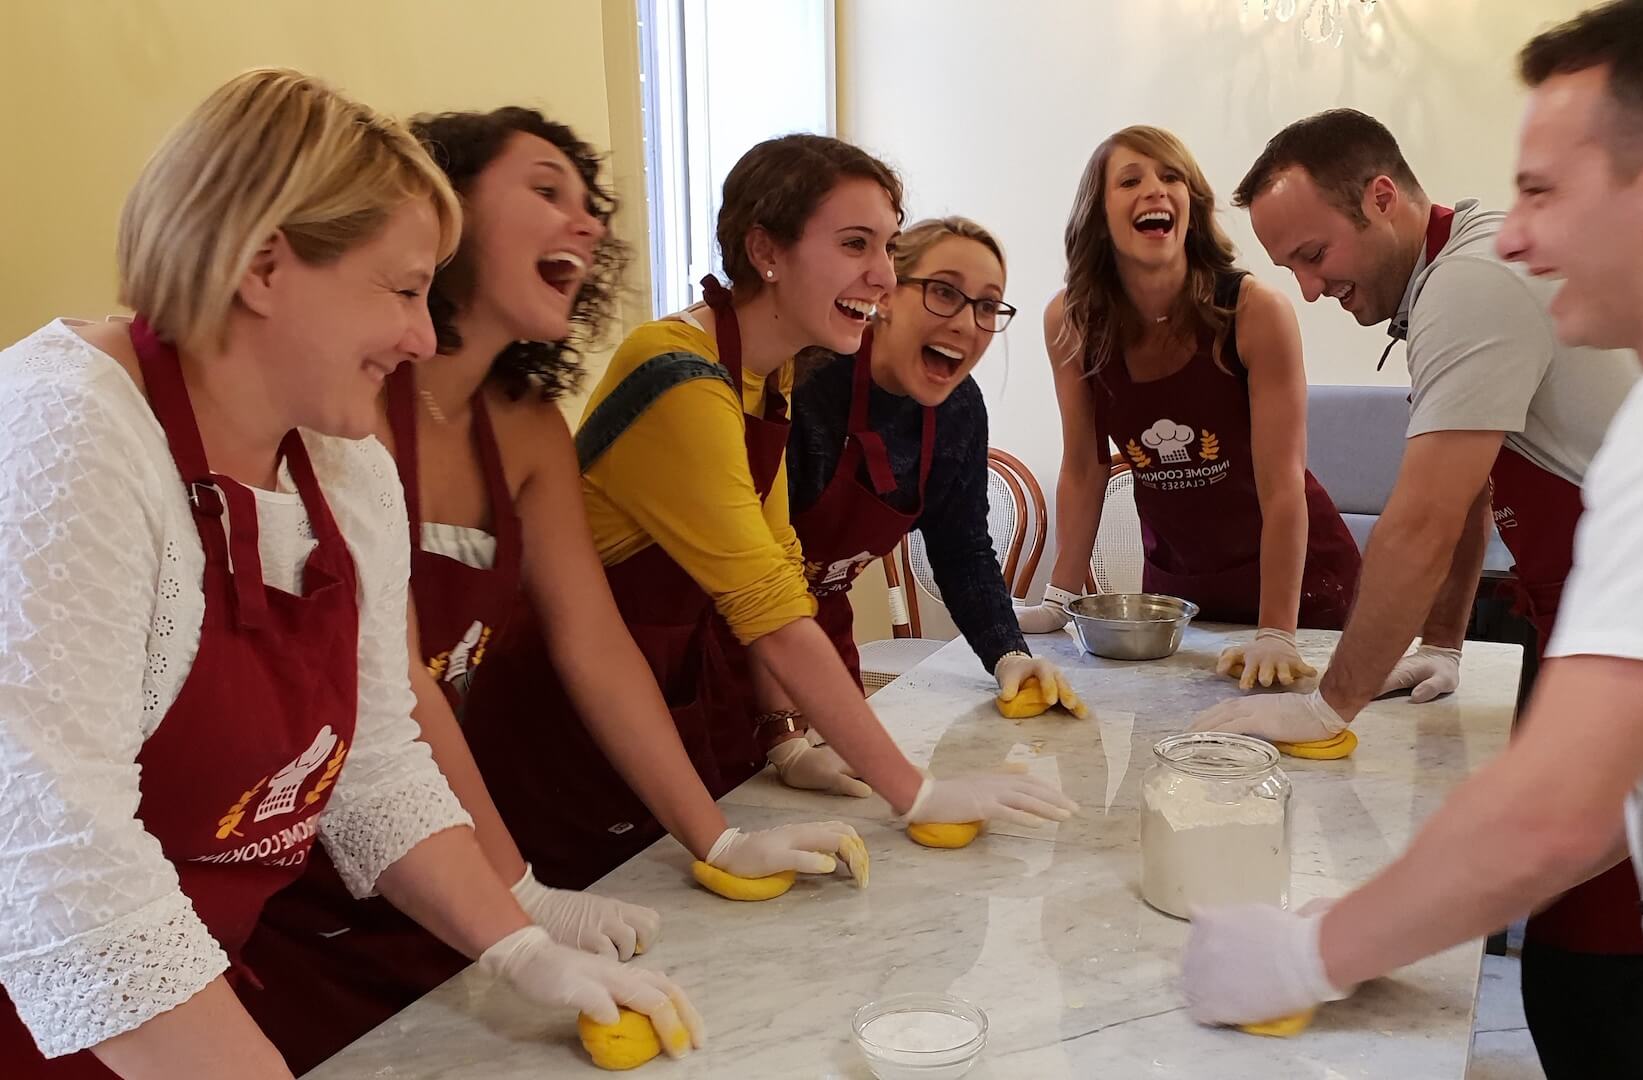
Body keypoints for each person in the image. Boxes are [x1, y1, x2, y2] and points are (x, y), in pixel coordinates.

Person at [1182, 3, 1643, 1077]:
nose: (1516, 234)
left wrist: (1308, 951)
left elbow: (1558, 819)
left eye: (1543, 190)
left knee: (1580, 988)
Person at [0, 70, 699, 1080]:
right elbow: (63, 871)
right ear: (264, 267)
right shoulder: (68, 433)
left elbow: (370, 758)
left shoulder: (343, 464)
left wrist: (520, 947)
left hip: (173, 1005)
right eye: (405, 289)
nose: (424, 335)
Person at [242, 107, 840, 1072]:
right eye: (546, 190)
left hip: (430, 856)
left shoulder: (525, 429)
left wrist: (716, 838)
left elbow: (595, 649)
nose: (587, 224)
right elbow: (391, 693)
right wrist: (515, 892)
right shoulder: (341, 415)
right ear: (439, 212)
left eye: (589, 203)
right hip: (298, 873)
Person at [463, 134, 1076, 890]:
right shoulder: (680, 376)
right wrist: (914, 791)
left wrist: (787, 739)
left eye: (887, 247)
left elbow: (784, 564)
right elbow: (773, 613)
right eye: (856, 244)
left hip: (661, 695)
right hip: (559, 725)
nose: (881, 275)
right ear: (766, 249)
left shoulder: (766, 376)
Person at [1194, 108, 1643, 1074]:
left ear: (1384, 197)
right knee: (1571, 925)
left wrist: (1329, 701)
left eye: (1316, 255)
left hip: (1639, 635)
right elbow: (1481, 478)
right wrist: (1439, 642)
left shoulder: (1470, 284)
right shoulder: (1460, 268)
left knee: (1586, 960)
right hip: (1588, 627)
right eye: (1294, 272)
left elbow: (1420, 517)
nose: (1312, 290)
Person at [1017, 126, 1362, 693]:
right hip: (1178, 590)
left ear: (1192, 206)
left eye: (1171, 177)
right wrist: (1061, 600)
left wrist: (1277, 631)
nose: (1156, 190)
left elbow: (1283, 486)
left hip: (1298, 588)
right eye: (1131, 180)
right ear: (1098, 215)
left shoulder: (1255, 312)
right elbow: (1084, 467)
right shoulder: (1071, 321)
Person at [780, 215, 1087, 750]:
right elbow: (748, 578)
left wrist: (1008, 653)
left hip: (823, 641)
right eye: (944, 292)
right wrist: (780, 734)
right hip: (723, 645)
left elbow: (962, 548)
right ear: (888, 291)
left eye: (988, 305)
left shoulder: (959, 409)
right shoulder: (806, 385)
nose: (968, 323)